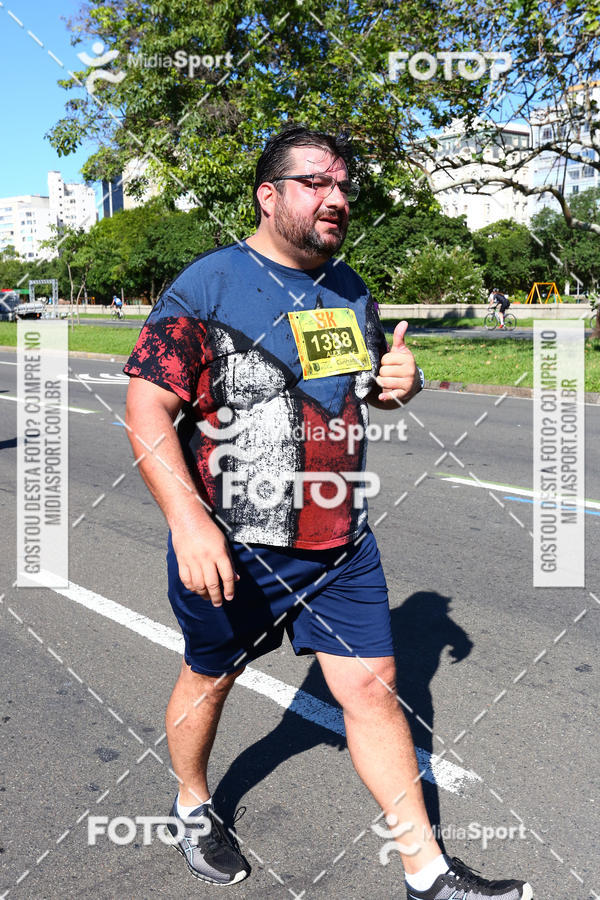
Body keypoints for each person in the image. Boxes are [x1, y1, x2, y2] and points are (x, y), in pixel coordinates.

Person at [124, 126, 533, 900]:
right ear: (268, 194)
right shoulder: (206, 285)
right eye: (317, 182)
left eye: (345, 185)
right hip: (235, 544)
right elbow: (145, 408)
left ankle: (427, 874)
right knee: (212, 676)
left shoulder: (349, 289)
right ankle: (191, 801)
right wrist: (188, 521)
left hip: (340, 541)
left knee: (375, 689)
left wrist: (399, 382)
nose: (338, 198)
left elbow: (363, 386)